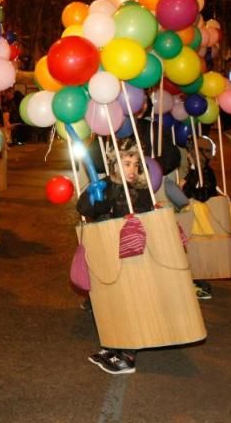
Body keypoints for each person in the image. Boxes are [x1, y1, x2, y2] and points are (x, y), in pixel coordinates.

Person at [76, 138, 153, 375]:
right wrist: (95, 196)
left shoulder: (140, 191)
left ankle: (128, 354)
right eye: (127, 163)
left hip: (130, 256)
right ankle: (113, 345)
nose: (132, 169)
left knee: (128, 301)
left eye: (136, 164)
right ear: (113, 164)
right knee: (110, 301)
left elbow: (148, 218)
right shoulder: (104, 185)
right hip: (106, 252)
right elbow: (85, 210)